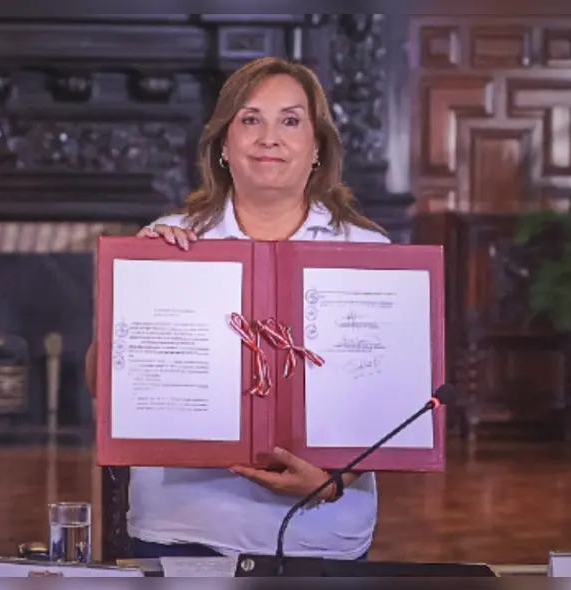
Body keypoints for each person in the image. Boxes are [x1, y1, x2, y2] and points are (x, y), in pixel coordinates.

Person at [84, 56, 390, 560]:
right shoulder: (168, 242)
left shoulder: (368, 251)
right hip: (180, 529)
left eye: (290, 120)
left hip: (324, 533)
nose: (269, 137)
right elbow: (105, 390)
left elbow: (394, 400)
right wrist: (129, 296)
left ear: (318, 146)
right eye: (250, 119)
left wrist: (335, 480)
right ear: (224, 144)